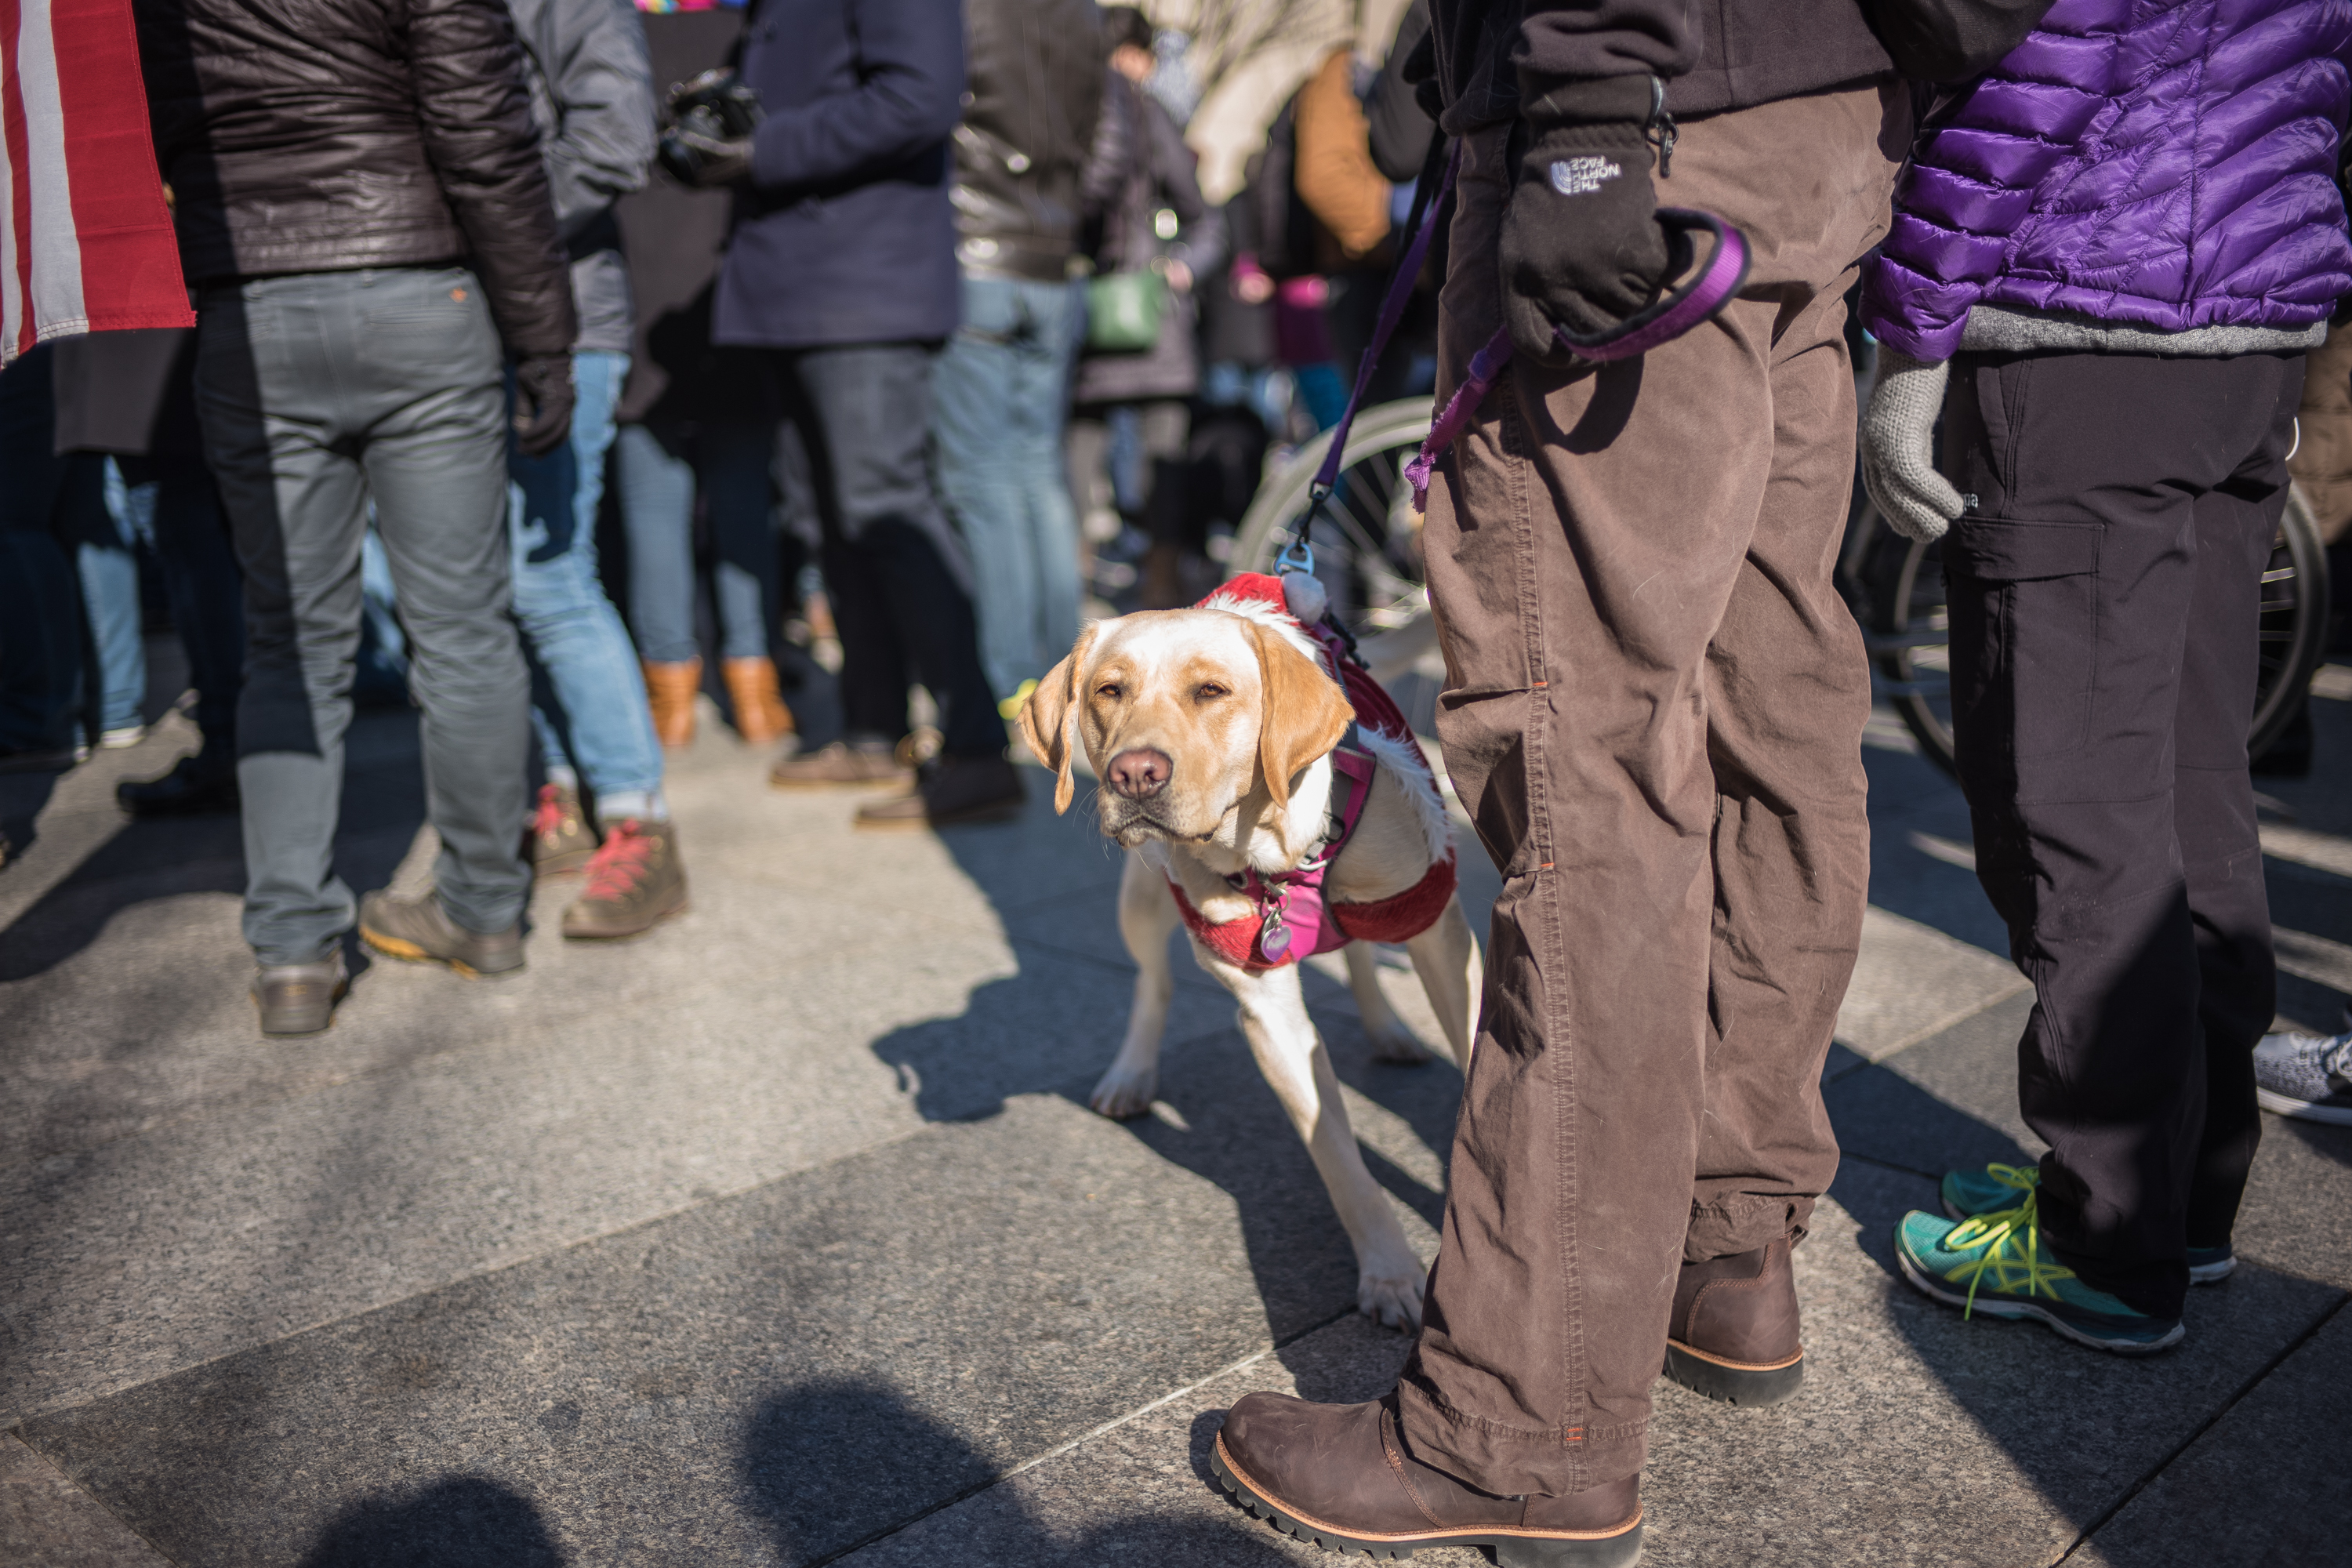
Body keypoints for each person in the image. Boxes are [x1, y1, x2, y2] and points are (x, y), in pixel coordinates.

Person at [1207, 2, 2053, 1561]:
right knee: (1766, 706)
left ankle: (1523, 1421)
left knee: (1591, 769)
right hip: (1819, 124)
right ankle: (1727, 1249)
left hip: (1642, 124)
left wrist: (1586, 106)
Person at [1860, 3, 2352, 1352]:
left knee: (2075, 801)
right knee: (2195, 785)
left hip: (2087, 320)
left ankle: (2103, 1239)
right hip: (2249, 330)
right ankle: (2183, 1204)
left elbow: (2043, 63)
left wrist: (1913, 338)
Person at [136, 0, 578, 1034]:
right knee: (464, 630)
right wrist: (543, 334)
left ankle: (292, 955)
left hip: (251, 309)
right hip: (420, 298)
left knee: (289, 642)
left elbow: (142, 125)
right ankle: (483, 912)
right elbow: (484, 135)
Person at [684, 0, 1022, 826]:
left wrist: (765, 148)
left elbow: (920, 96)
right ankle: (873, 725)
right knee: (828, 514)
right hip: (800, 288)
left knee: (884, 505)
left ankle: (977, 749)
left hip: (860, 287)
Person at [502, 0, 690, 940]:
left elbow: (616, 140)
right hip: (458, 321)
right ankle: (562, 793)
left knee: (547, 576)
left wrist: (486, 222)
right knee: (477, 586)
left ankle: (638, 819)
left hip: (562, 318)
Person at [612, 0, 797, 757]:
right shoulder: (751, 31)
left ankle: (671, 704)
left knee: (653, 513)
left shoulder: (609, 31)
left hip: (637, 295)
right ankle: (756, 696)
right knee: (745, 508)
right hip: (725, 299)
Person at [931, 0, 1102, 713]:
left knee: (985, 479)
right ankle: (1064, 668)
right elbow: (1101, 133)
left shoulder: (960, 10)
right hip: (1052, 262)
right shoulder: (1084, 14)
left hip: (976, 255)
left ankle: (1012, 678)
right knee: (1036, 470)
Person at [51, 327, 250, 818]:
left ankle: (231, 743)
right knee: (207, 545)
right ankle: (240, 737)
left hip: (145, 347)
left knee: (191, 549)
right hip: (177, 345)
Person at [1067, 6, 1226, 612]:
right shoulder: (1140, 108)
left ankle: (1118, 586)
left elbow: (1205, 221)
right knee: (1130, 458)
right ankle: (1116, 584)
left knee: (1134, 458)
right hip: (1125, 314)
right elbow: (1207, 217)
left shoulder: (1126, 110)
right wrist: (1181, 269)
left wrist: (1177, 270)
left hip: (1133, 310)